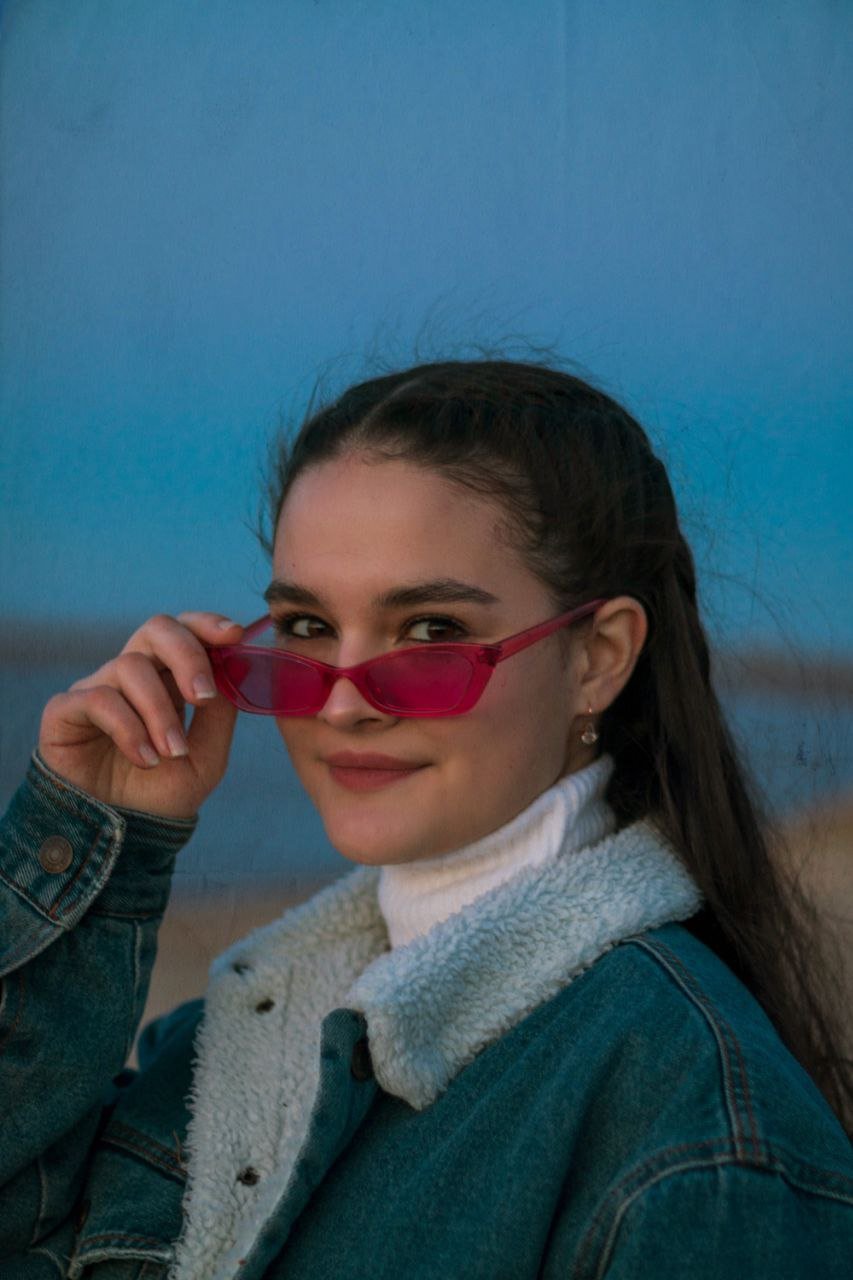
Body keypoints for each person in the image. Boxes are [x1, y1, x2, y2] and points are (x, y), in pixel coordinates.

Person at [1, 357, 851, 1279]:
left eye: (432, 631)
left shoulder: (697, 1136)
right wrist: (101, 834)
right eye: (306, 628)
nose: (341, 706)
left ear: (599, 658)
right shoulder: (227, 1046)